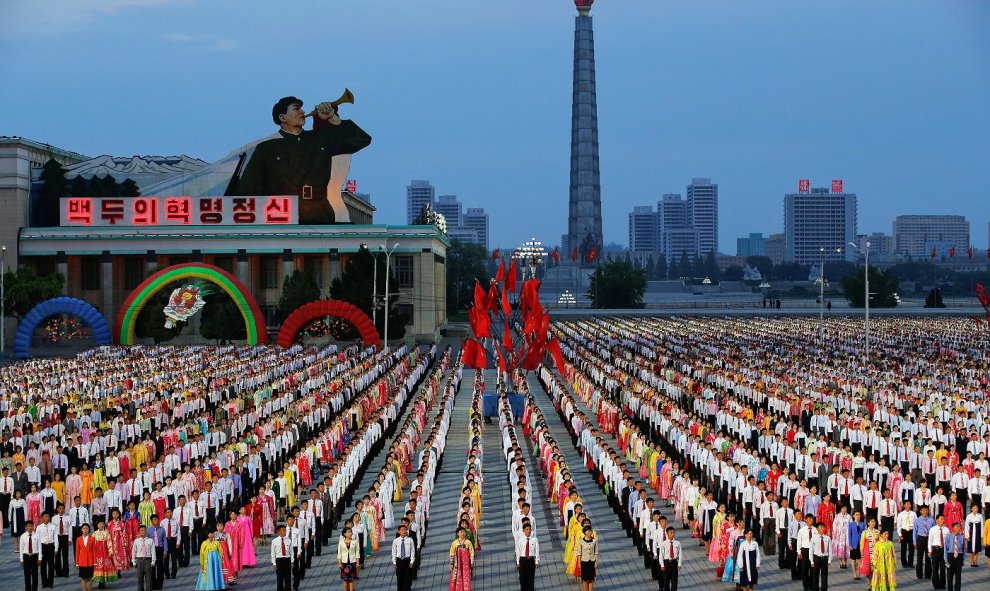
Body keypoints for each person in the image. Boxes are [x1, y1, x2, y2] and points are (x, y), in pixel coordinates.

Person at [236, 95, 372, 225]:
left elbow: (361, 140)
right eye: (296, 108)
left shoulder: (319, 139)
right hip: (280, 214)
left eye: (301, 108)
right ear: (282, 117)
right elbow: (248, 189)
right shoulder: (266, 148)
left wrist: (333, 118)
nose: (302, 112)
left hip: (319, 212)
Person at [514, 522, 540, 591]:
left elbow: (537, 551)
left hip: (531, 560)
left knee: (531, 579)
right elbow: (518, 551)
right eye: (527, 529)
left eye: (529, 529)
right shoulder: (520, 540)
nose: (528, 531)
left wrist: (536, 561)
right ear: (523, 531)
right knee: (523, 579)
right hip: (523, 560)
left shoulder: (534, 540)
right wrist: (517, 562)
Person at [392, 523, 415, 591]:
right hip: (399, 561)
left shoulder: (410, 540)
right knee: (399, 578)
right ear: (399, 532)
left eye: (405, 530)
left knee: (407, 577)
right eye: (402, 530)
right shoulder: (395, 541)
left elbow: (412, 551)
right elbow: (393, 552)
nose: (404, 531)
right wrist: (394, 562)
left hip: (407, 561)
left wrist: (411, 561)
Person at [132, 525, 155, 591]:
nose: (144, 532)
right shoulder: (136, 541)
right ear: (139, 532)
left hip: (148, 560)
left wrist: (153, 561)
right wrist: (133, 561)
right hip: (139, 560)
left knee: (149, 578)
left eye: (145, 530)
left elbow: (153, 551)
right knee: (140, 578)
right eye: (142, 530)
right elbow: (134, 551)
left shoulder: (150, 540)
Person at [659, 527, 682, 591]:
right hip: (666, 563)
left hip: (674, 562)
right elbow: (661, 555)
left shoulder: (677, 543)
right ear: (667, 533)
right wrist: (662, 565)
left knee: (674, 580)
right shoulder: (663, 543)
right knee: (666, 580)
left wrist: (679, 564)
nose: (672, 534)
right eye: (671, 532)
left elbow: (680, 554)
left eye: (673, 532)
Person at [943, 523, 965, 591]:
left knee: (958, 576)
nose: (959, 528)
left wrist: (962, 560)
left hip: (959, 557)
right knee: (949, 576)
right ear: (953, 528)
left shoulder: (961, 537)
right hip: (950, 557)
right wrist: (946, 560)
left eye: (959, 526)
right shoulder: (948, 536)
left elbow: (963, 549)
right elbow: (945, 549)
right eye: (957, 526)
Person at [271, 525, 293, 591]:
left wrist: (292, 561)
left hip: (287, 560)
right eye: (283, 530)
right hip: (279, 560)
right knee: (279, 578)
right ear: (279, 532)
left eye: (285, 530)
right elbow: (273, 553)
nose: (284, 531)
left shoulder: (289, 540)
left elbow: (291, 552)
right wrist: (274, 563)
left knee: (288, 578)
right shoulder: (274, 541)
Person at [337, 527, 360, 591]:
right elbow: (339, 553)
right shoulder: (341, 542)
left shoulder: (355, 542)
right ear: (344, 534)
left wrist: (358, 562)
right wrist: (339, 563)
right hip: (344, 563)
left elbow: (357, 553)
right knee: (345, 579)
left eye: (351, 532)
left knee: (351, 579)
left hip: (352, 563)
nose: (350, 533)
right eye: (348, 532)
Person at [20, 520, 40, 591]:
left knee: (35, 575)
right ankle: (27, 589)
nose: (30, 527)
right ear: (26, 527)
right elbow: (21, 549)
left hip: (34, 556)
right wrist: (21, 559)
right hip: (26, 557)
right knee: (27, 575)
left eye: (31, 526)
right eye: (28, 526)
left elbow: (39, 547)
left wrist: (40, 558)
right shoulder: (23, 536)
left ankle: (34, 589)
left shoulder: (37, 535)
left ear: (33, 526)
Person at [576, 525, 596, 591]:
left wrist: (596, 562)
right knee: (585, 579)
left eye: (591, 531)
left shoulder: (595, 541)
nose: (590, 532)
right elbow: (579, 553)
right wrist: (579, 563)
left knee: (591, 579)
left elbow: (596, 552)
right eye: (589, 531)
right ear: (585, 532)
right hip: (584, 562)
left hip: (592, 562)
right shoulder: (581, 541)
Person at [812, 522, 831, 591]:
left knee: (824, 575)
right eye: (820, 527)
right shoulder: (814, 538)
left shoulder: (827, 538)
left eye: (823, 527)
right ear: (817, 529)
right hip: (816, 558)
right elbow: (811, 550)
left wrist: (829, 560)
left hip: (824, 558)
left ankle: (824, 589)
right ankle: (815, 588)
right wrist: (811, 561)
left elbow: (830, 550)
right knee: (815, 575)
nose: (822, 528)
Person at [76, 523, 95, 591]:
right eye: (84, 528)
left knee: (89, 578)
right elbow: (77, 552)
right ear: (81, 530)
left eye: (87, 528)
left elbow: (94, 551)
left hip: (90, 561)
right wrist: (77, 563)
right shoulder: (78, 539)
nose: (85, 530)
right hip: (82, 562)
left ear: (89, 530)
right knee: (83, 578)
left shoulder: (92, 538)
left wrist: (95, 562)